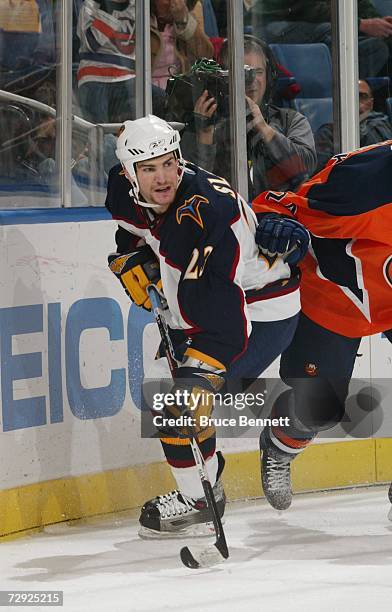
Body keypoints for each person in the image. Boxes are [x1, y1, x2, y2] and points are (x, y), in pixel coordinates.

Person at [105, 114, 310, 537]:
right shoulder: (122, 190)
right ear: (129, 173)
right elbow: (136, 228)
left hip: (259, 309)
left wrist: (202, 375)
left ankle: (199, 499)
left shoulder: (209, 216)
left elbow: (223, 320)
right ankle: (204, 490)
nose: (162, 177)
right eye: (148, 169)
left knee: (178, 399)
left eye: (168, 163)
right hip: (214, 298)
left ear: (179, 158)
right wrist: (131, 256)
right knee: (168, 394)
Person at [252, 139, 392, 511]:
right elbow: (277, 207)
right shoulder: (366, 181)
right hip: (335, 297)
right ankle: (280, 445)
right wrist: (273, 223)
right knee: (318, 411)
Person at [179, 36, 317, 198]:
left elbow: (306, 168)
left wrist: (265, 129)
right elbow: (191, 189)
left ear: (269, 77)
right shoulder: (206, 122)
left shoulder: (291, 120)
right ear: (224, 78)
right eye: (243, 73)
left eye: (258, 72)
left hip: (278, 215)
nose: (252, 81)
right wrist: (204, 136)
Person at [249, 0, 392, 78]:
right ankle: (337, 93)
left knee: (377, 47)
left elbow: (358, 4)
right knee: (332, 32)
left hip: (309, 26)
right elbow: (309, 9)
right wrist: (361, 24)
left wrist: (380, 23)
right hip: (269, 24)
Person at [314, 79, 392, 172]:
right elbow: (322, 173)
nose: (356, 101)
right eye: (351, 96)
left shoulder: (382, 124)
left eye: (362, 96)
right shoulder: (328, 133)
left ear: (371, 104)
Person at [150, 0, 214, 90]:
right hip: (147, 94)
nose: (175, 3)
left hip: (179, 93)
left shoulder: (187, 18)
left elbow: (206, 56)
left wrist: (183, 21)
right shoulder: (140, 20)